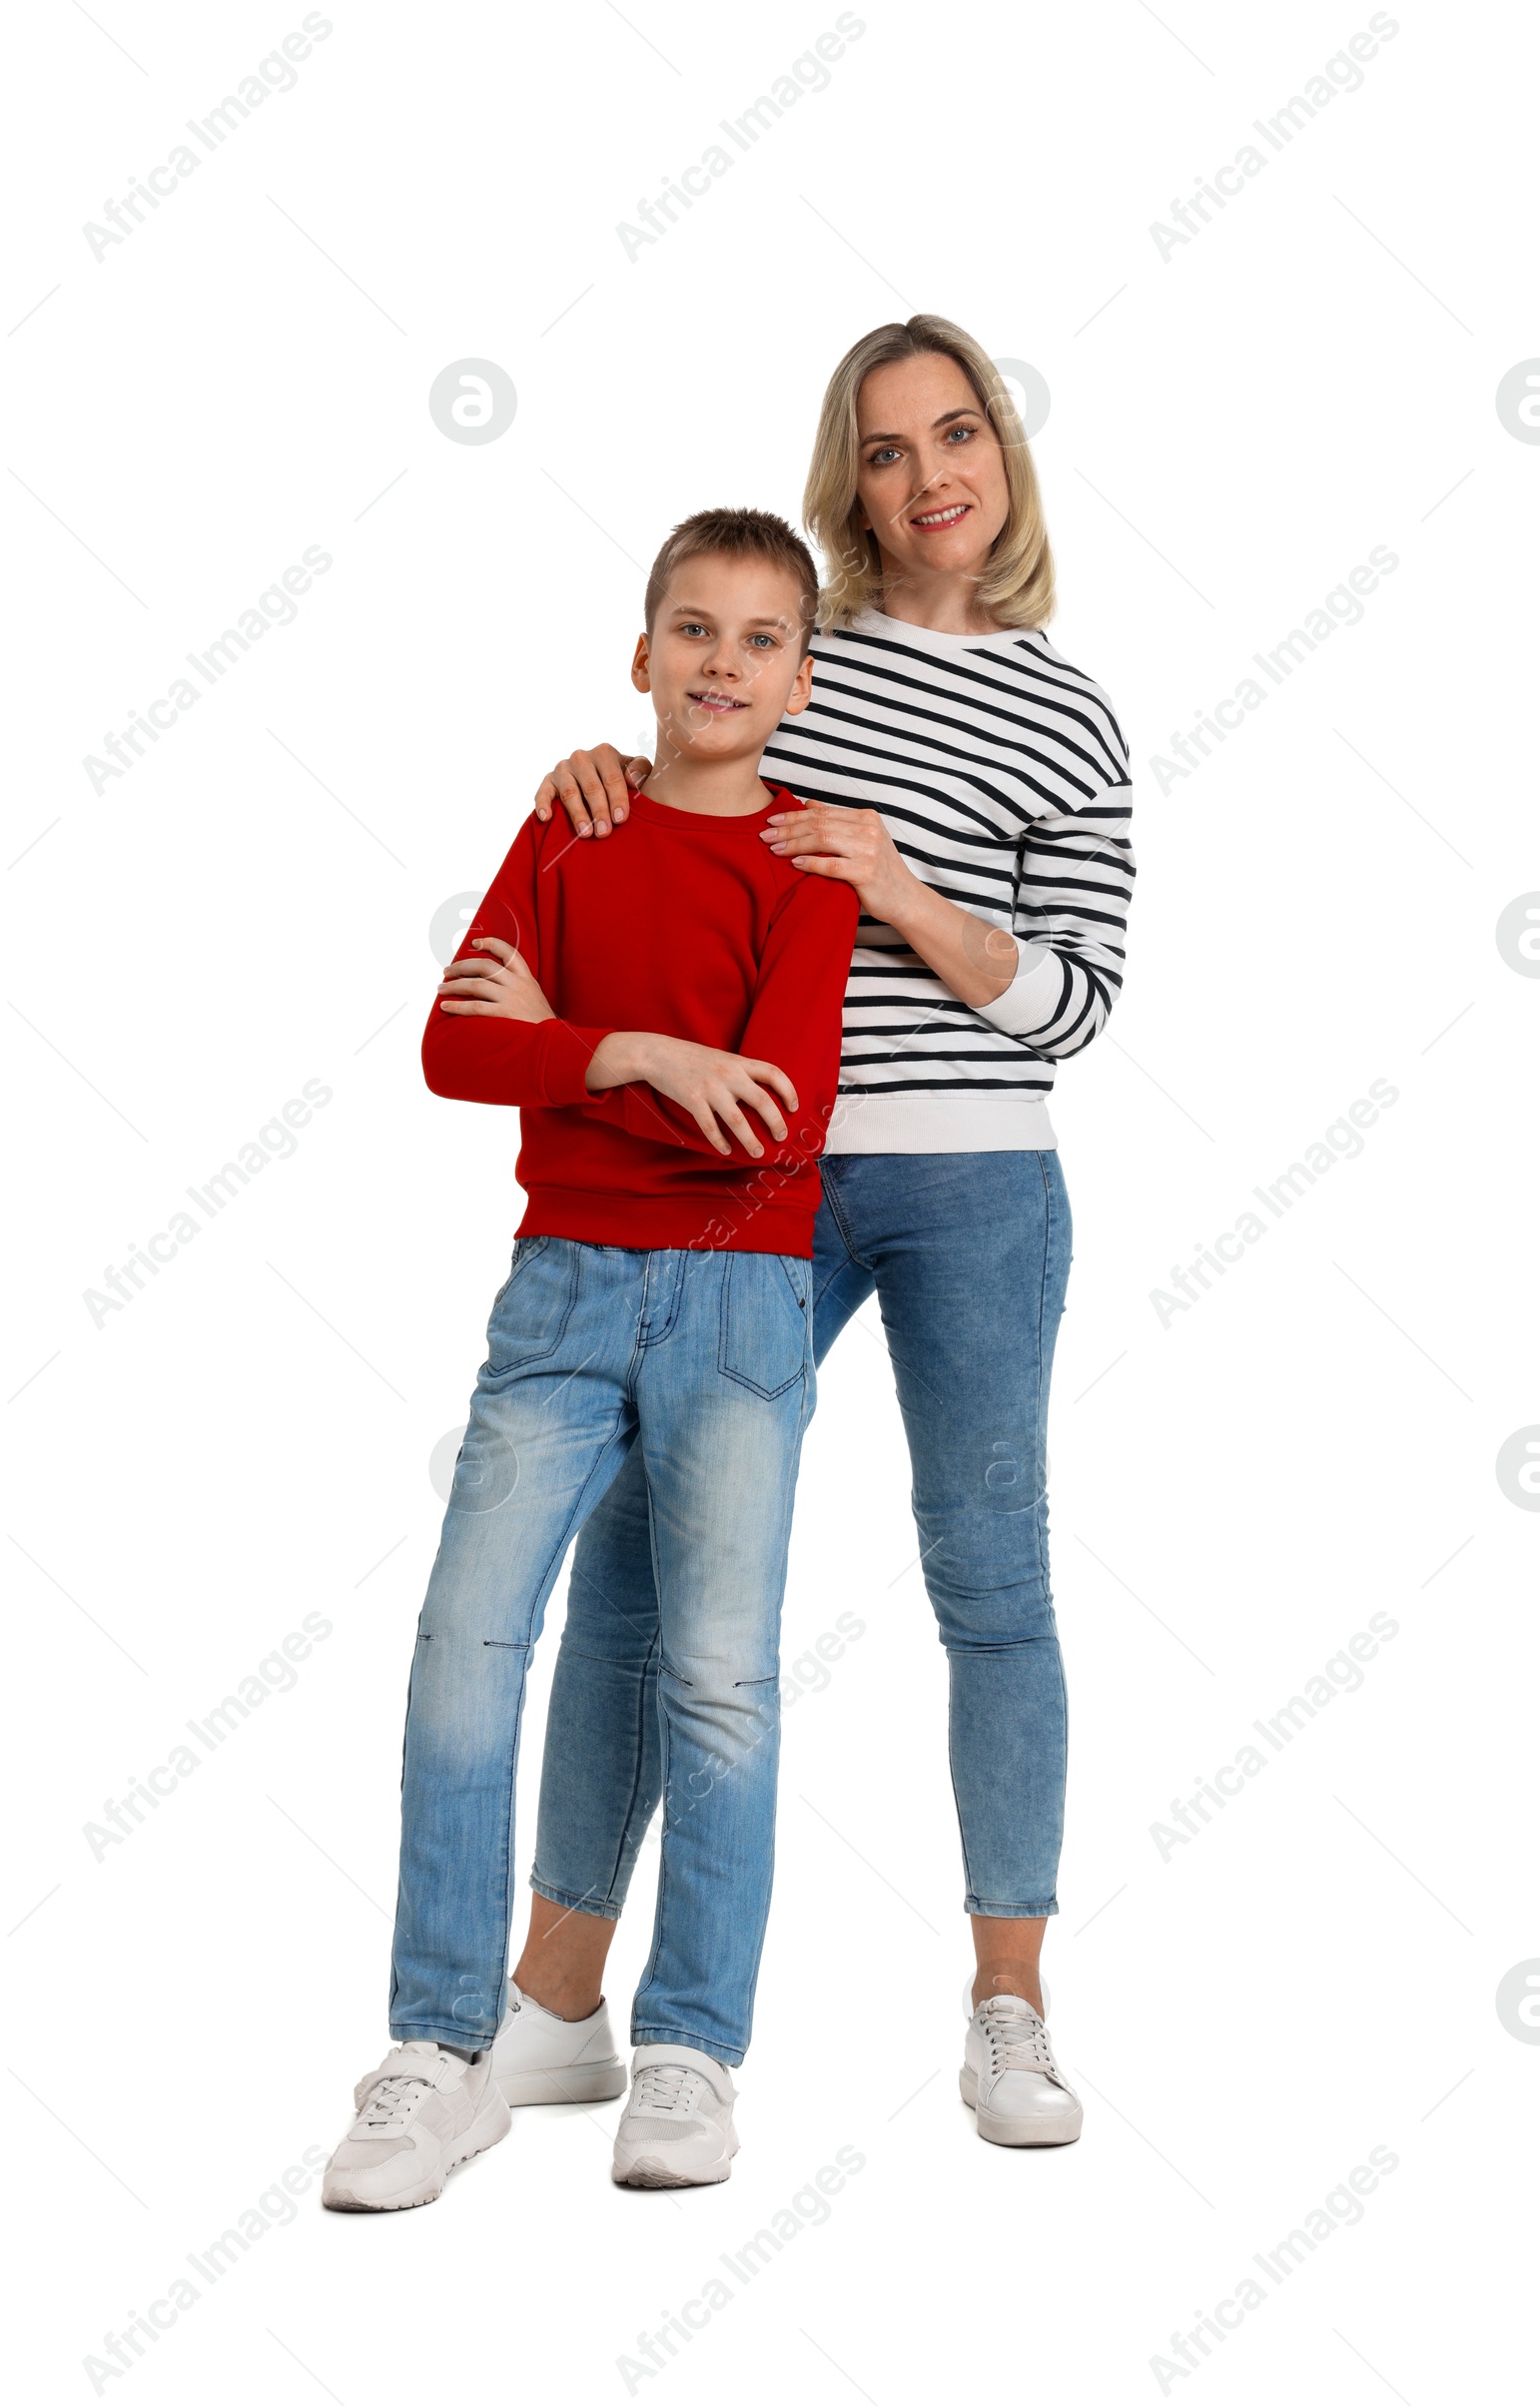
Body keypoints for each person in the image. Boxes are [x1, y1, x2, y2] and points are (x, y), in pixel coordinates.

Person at [499, 316, 1135, 2148]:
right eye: (883, 448)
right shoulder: (809, 650)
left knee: (988, 1576)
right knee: (640, 1561)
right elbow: (686, 776)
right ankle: (554, 2000)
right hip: (759, 1173)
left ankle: (1008, 2007)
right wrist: (593, 780)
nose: (928, 474)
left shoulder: (1069, 708)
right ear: (844, 482)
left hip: (976, 1182)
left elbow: (1079, 1006)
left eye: (956, 434)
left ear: (1001, 453)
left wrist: (905, 890)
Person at [321, 508, 859, 2209]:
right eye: (690, 629)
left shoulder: (810, 865)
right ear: (642, 656)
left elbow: (782, 1122)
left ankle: (691, 2048)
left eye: (760, 636)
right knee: (468, 1642)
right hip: (555, 1291)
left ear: (801, 671)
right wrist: (634, 1049)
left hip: (740, 1297)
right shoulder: (568, 825)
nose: (720, 661)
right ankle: (440, 2048)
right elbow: (448, 1045)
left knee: (719, 1675)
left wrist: (566, 1056)